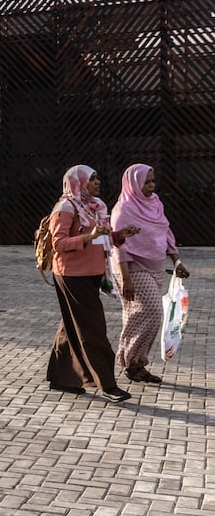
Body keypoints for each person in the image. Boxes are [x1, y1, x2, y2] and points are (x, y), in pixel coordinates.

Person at [46, 165, 138, 403]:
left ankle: (62, 378)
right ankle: (107, 384)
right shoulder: (65, 207)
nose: (98, 182)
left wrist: (119, 235)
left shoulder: (94, 206)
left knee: (72, 323)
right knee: (93, 328)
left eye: (97, 177)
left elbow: (103, 236)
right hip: (72, 275)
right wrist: (89, 236)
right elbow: (59, 243)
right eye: (93, 178)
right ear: (79, 181)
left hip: (92, 273)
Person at [110, 164, 189, 384]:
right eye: (147, 182)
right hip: (132, 267)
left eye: (153, 181)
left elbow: (166, 231)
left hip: (155, 266)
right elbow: (119, 245)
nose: (151, 186)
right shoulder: (123, 209)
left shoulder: (155, 203)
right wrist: (125, 279)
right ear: (134, 183)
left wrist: (177, 260)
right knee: (152, 311)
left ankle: (137, 364)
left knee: (139, 315)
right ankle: (130, 360)